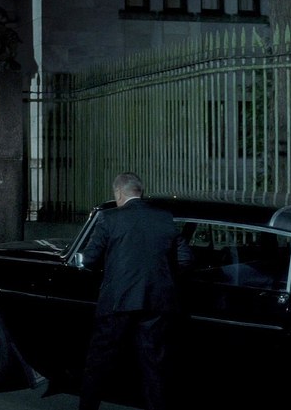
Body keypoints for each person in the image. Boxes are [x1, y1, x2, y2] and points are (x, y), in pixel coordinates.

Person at [78, 172, 193, 410]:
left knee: (98, 362)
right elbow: (185, 259)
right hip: (157, 301)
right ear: (140, 191)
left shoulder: (109, 218)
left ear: (119, 192)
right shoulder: (164, 218)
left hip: (118, 302)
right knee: (154, 366)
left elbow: (89, 260)